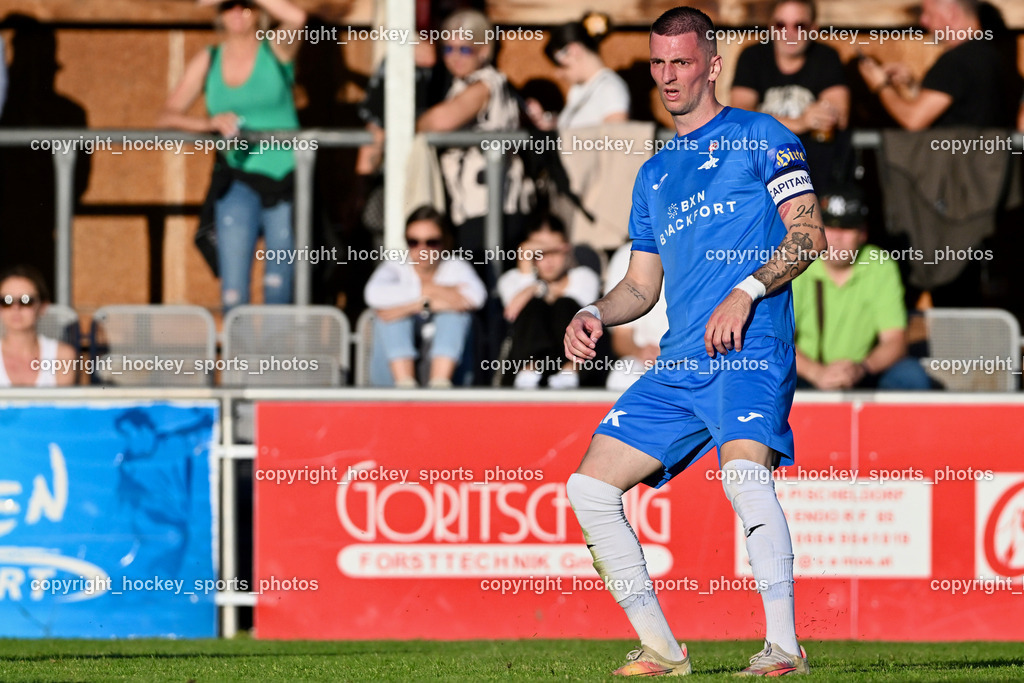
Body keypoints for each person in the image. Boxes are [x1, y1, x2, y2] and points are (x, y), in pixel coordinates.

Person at [563, 6, 826, 676]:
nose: (669, 76)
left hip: (751, 347)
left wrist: (748, 289)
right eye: (658, 63)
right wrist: (596, 310)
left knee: (743, 473)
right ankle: (662, 648)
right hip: (680, 362)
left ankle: (784, 648)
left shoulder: (764, 136)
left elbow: (808, 237)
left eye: (682, 62)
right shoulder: (654, 174)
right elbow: (641, 286)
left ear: (713, 64)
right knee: (589, 489)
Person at [158, 0, 307, 311]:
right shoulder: (210, 58)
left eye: (245, 6)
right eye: (228, 6)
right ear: (219, 14)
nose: (237, 13)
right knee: (234, 291)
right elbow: (166, 115)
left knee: (279, 287)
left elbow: (297, 16)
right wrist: (207, 123)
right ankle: (241, 361)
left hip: (286, 178)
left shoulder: (275, 47)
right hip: (237, 178)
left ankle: (276, 361)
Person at [416, 9, 534, 264]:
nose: (455, 57)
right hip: (470, 206)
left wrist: (410, 123)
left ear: (483, 50)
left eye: (465, 49)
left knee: (487, 283)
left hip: (492, 206)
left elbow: (439, 122)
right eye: (448, 49)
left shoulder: (486, 83)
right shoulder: (462, 84)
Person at [792, 188, 934, 390]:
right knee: (764, 376)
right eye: (829, 227)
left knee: (911, 375)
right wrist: (817, 373)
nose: (837, 237)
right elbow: (778, 341)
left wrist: (861, 369)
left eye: (847, 228)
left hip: (863, 373)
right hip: (806, 374)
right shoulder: (798, 262)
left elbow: (895, 341)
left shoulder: (880, 265)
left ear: (863, 233)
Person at [730, 0, 850, 194]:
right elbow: (741, 118)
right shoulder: (753, 57)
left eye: (799, 25)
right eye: (780, 25)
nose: (789, 32)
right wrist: (802, 122)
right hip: (761, 175)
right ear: (771, 28)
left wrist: (765, 122)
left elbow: (839, 116)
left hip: (816, 177)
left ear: (813, 29)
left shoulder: (826, 57)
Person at [364, 206, 486, 388]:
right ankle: (405, 387)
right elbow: (373, 294)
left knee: (454, 316)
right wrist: (434, 295)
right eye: (414, 242)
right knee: (392, 318)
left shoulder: (455, 266)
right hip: (389, 379)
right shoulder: (396, 266)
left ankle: (440, 385)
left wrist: (413, 303)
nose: (422, 249)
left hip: (453, 375)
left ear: (444, 242)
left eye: (431, 242)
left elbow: (476, 297)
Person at [857, 0, 1006, 129]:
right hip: (984, 158)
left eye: (928, 14)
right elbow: (962, 109)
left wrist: (881, 85)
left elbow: (913, 121)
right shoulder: (989, 54)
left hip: (957, 159)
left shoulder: (957, 61)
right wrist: (912, 85)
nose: (923, 21)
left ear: (951, 12)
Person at [497, 215, 600, 389]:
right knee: (534, 307)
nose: (548, 259)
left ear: (567, 249)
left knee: (565, 305)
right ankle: (529, 370)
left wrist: (537, 288)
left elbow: (583, 309)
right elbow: (513, 311)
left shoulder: (584, 276)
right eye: (539, 252)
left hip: (576, 368)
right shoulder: (511, 279)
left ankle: (570, 371)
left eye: (555, 251)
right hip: (521, 367)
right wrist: (532, 280)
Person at [526, 13, 630, 131]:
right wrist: (551, 125)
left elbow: (615, 140)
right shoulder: (579, 90)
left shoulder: (609, 88)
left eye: (560, 65)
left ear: (574, 50)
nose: (558, 74)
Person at [602, 242, 668, 391]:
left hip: (690, 359)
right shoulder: (626, 255)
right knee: (623, 372)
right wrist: (639, 352)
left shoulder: (700, 252)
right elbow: (621, 337)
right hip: (644, 361)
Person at [0, 265, 77, 387]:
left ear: (43, 306)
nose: (16, 308)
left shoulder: (62, 356)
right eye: (6, 301)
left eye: (26, 301)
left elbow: (64, 405)